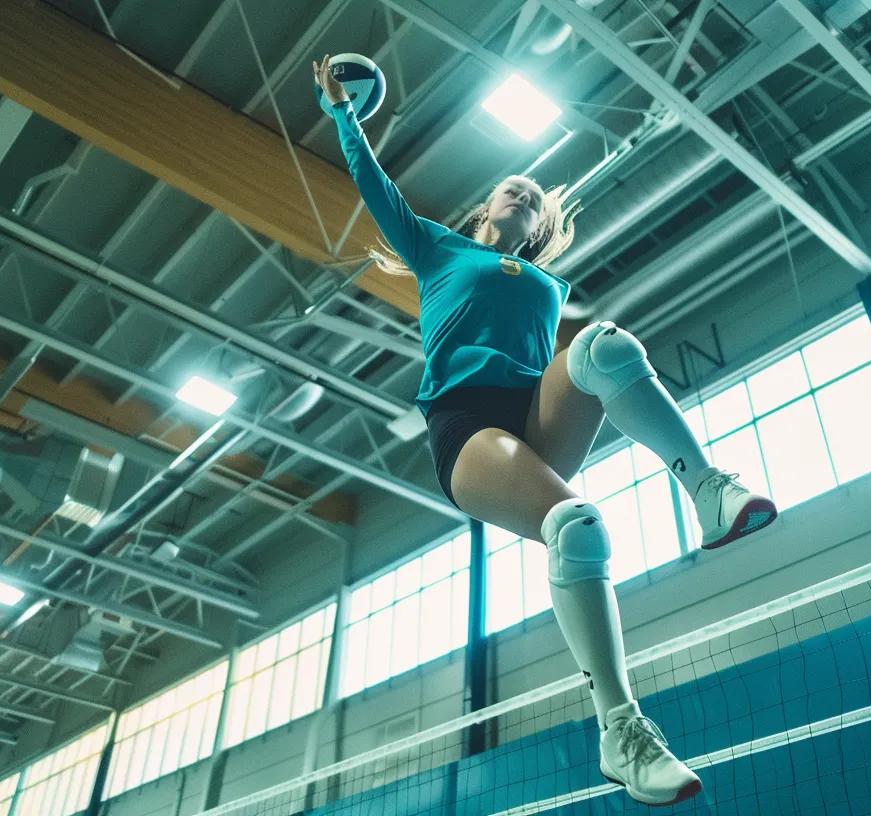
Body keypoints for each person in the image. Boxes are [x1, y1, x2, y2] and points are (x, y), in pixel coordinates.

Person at [314, 55, 777, 806]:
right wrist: (345, 114)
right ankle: (621, 731)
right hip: (467, 433)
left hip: (532, 417)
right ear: (484, 210)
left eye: (535, 197)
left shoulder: (547, 285)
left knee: (604, 346)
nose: (524, 189)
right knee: (578, 526)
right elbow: (375, 187)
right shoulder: (439, 250)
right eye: (512, 186)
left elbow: (567, 362)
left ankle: (708, 491)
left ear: (543, 227)